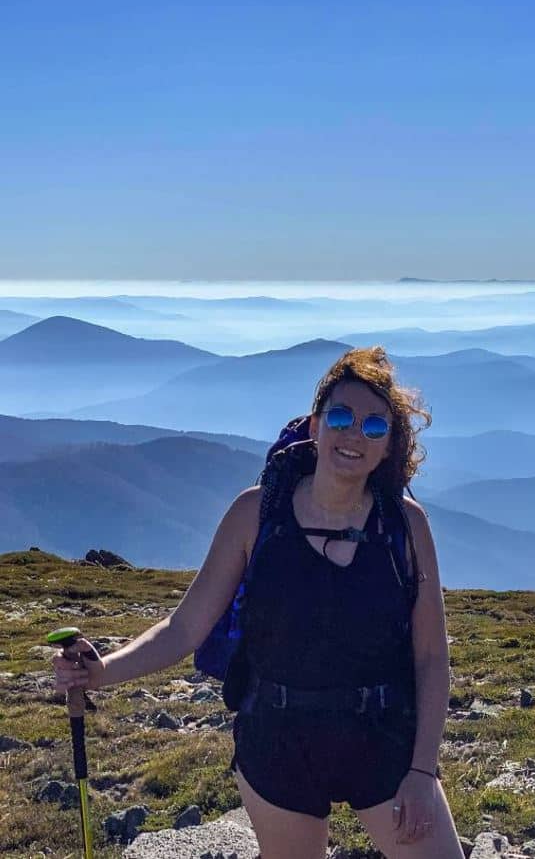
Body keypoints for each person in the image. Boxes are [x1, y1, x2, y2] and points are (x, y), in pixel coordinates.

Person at [53, 347, 464, 858]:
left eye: (374, 426)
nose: (354, 433)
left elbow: (430, 657)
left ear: (389, 446)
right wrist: (100, 673)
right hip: (278, 740)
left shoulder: (406, 525)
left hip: (382, 736)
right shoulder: (255, 514)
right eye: (340, 415)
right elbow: (184, 629)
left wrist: (422, 772)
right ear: (315, 425)